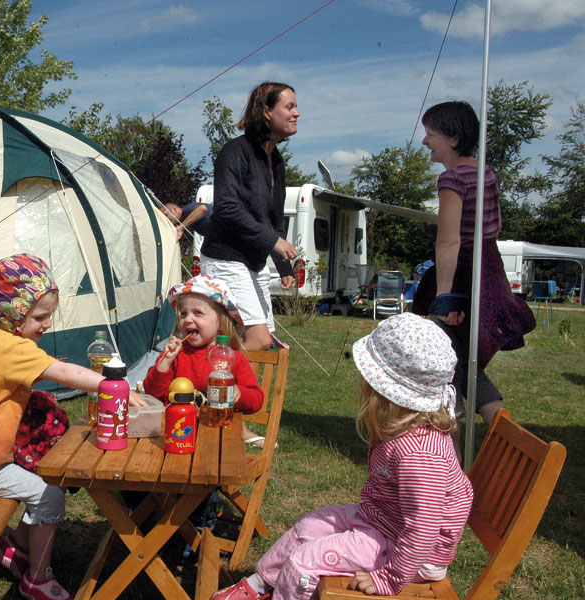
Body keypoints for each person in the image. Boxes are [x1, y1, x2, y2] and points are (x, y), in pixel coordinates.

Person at [212, 313, 473, 600]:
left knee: (304, 562)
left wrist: (389, 578)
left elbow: (423, 530)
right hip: (382, 521)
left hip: (409, 553)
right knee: (308, 526)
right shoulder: (404, 430)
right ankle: (261, 585)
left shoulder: (421, 455)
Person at [0, 254, 144, 600]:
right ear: (13, 314)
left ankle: (16, 548)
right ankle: (36, 580)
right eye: (39, 317)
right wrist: (112, 385)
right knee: (49, 494)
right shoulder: (12, 349)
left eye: (49, 315)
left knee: (48, 483)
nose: (47, 324)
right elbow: (64, 372)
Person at [412, 101, 535, 428]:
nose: (425, 141)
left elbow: (449, 242)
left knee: (444, 360)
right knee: (465, 361)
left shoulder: (452, 179)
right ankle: (501, 431)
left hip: (461, 273)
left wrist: (445, 298)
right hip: (489, 270)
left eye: (431, 134)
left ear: (453, 138)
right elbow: (497, 225)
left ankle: (449, 434)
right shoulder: (485, 173)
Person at [200, 81, 299, 351]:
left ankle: (223, 374)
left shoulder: (276, 162)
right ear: (267, 112)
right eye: (289, 107)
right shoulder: (235, 152)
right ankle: (208, 371)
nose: (296, 113)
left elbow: (274, 219)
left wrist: (283, 265)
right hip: (225, 258)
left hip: (254, 262)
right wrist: (273, 242)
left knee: (268, 343)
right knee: (259, 340)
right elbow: (227, 208)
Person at [144, 274, 265, 444]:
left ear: (221, 322)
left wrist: (238, 393)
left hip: (218, 434)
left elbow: (256, 400)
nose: (188, 319)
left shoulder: (234, 359)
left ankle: (245, 434)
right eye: (183, 314)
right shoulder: (176, 355)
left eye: (198, 313)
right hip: (176, 431)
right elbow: (152, 395)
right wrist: (164, 363)